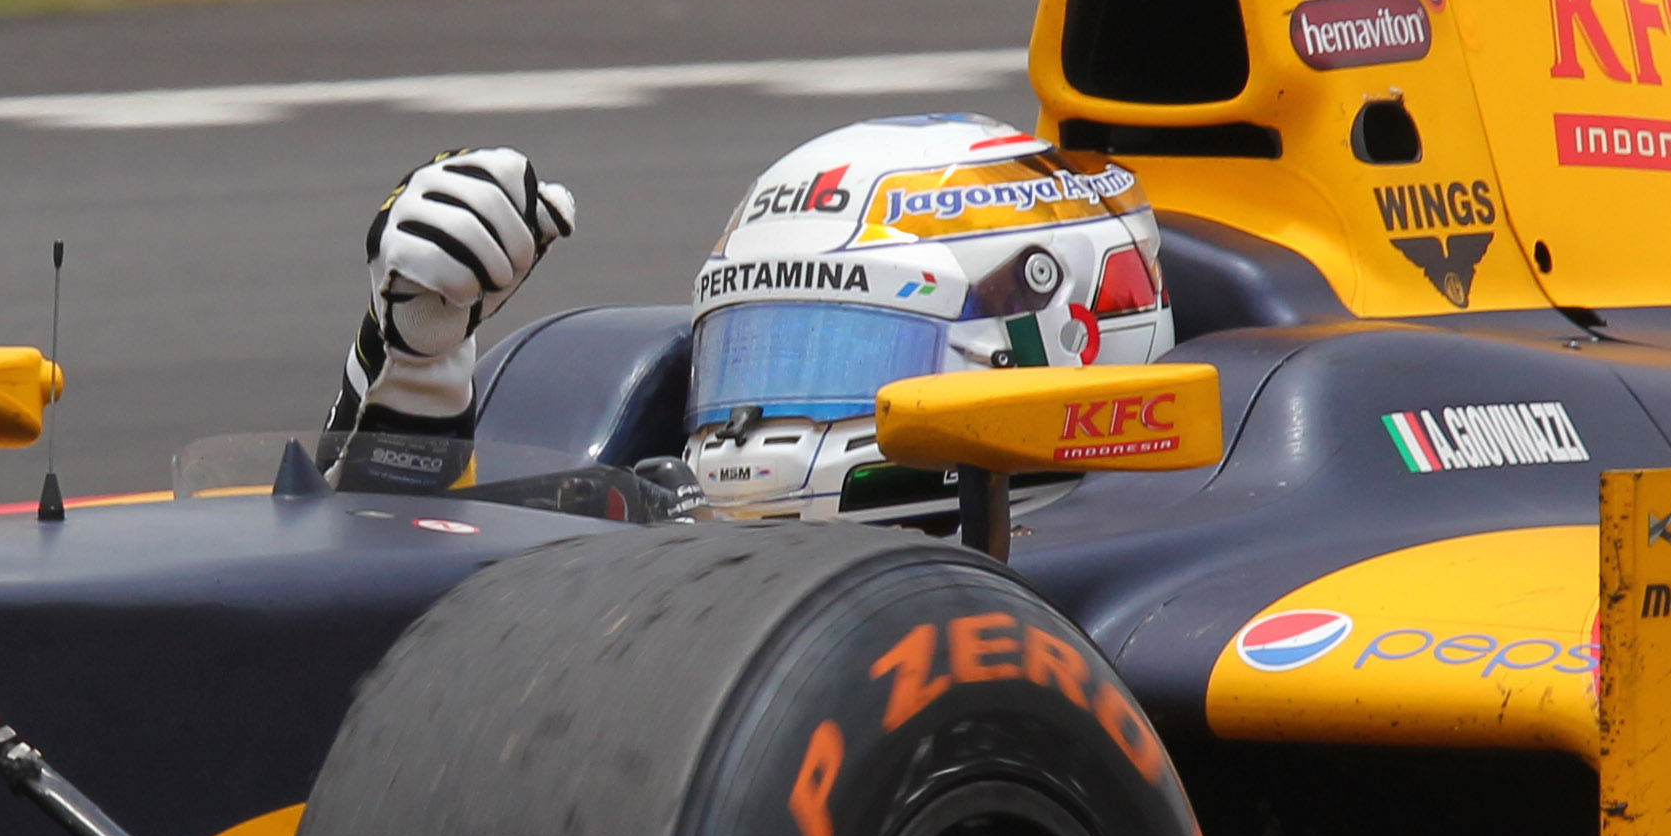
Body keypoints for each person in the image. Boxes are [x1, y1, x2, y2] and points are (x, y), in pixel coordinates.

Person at [325, 115, 1174, 518]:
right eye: (747, 361)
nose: (745, 440)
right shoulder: (665, 535)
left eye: (839, 363)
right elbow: (391, 585)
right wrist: (417, 368)